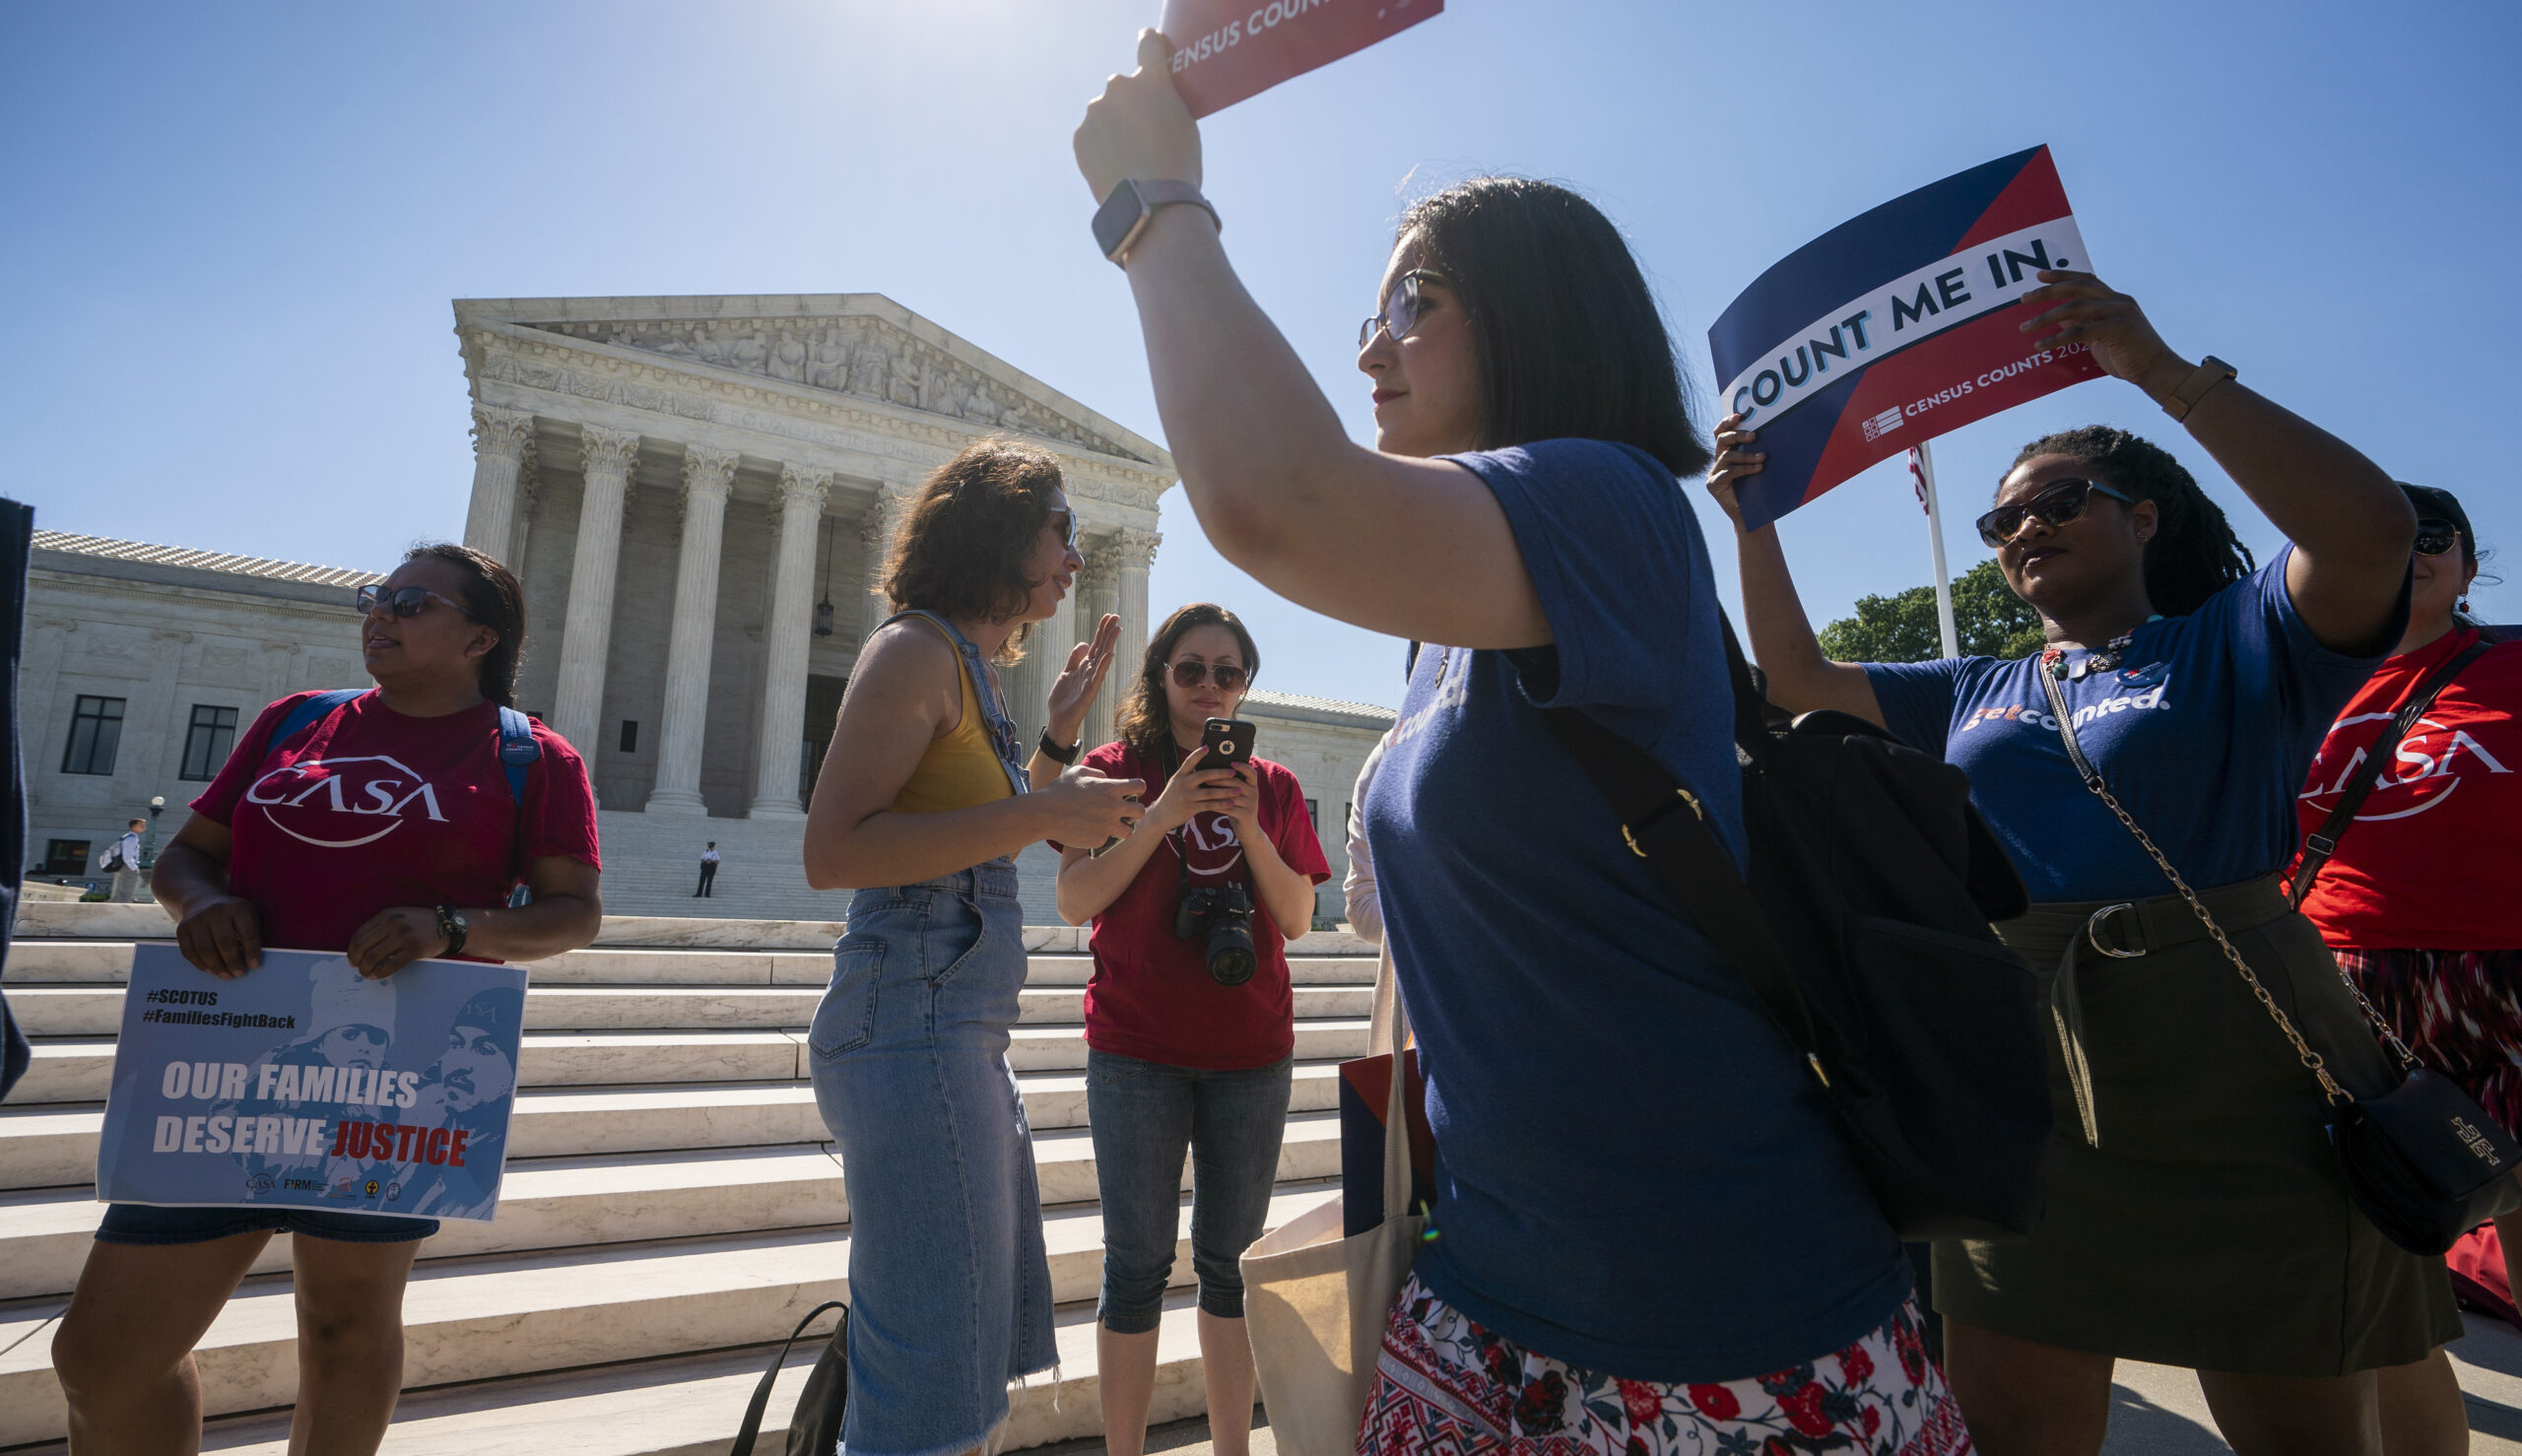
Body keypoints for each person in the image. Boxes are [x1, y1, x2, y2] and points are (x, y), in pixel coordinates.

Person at [1077, 39, 1963, 1452]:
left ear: (1541, 317)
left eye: (1413, 304)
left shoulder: (1610, 506)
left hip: (1707, 1318)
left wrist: (1150, 202)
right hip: (1487, 1299)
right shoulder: (1452, 620)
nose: (1368, 346)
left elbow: (1276, 500)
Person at [1708, 265, 2447, 1451]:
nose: (2023, 529)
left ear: (2140, 514)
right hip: (2025, 1069)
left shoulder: (2240, 638)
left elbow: (2370, 533)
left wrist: (2158, 371)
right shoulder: (1972, 686)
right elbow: (1794, 678)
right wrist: (1753, 517)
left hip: (2241, 1061)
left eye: (2058, 502)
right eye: (2003, 521)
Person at [49, 542, 604, 1455]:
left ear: (478, 638)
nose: (378, 614)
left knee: (346, 1326)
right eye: (374, 597)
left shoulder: (529, 757)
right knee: (103, 1354)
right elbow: (188, 854)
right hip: (226, 1056)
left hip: (390, 1069)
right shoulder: (293, 721)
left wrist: (451, 928)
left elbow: (571, 913)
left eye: (410, 602)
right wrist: (203, 900)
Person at [800, 437, 1143, 1456]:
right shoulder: (911, 649)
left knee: (961, 1357)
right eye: (1060, 529)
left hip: (953, 1029)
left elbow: (986, 818)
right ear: (998, 531)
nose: (1075, 557)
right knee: (929, 1388)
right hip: (909, 1020)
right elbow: (833, 849)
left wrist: (1053, 746)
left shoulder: (965, 665)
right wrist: (1042, 800)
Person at [1051, 603, 1330, 1456]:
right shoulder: (1113, 771)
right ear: (1161, 675)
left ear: (1245, 686)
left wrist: (1245, 822)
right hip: (1136, 1050)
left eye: (1228, 673)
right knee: (1134, 1269)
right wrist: (1163, 812)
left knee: (1231, 1270)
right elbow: (1073, 900)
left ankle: (1232, 1450)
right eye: (1191, 669)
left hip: (1251, 1053)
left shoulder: (1274, 787)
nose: (1210, 687)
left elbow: (1298, 916)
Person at [2290, 484, 2521, 1453]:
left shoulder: (2509, 659)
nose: (2413, 550)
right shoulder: (2288, 683)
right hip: (2340, 988)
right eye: (2387, 532)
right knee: (2378, 1246)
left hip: (2502, 980)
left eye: (2436, 537)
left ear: (2470, 566)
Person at [102, 817, 145, 901]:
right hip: (128, 868)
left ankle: (108, 910)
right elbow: (127, 856)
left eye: (144, 825)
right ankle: (120, 912)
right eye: (141, 825)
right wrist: (134, 868)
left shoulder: (127, 837)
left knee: (120, 893)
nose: (144, 827)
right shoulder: (131, 839)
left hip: (124, 867)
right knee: (125, 894)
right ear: (134, 827)